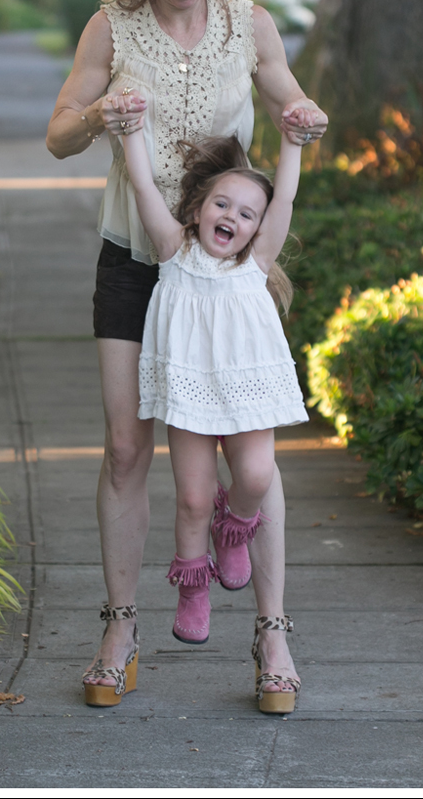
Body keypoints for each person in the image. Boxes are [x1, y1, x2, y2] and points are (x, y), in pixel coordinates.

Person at [45, 0, 327, 711]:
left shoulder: (251, 24)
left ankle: (272, 635)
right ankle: (123, 626)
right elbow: (60, 133)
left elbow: (290, 102)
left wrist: (305, 117)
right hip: (137, 261)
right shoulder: (111, 27)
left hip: (228, 278)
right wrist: (102, 110)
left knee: (254, 452)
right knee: (129, 449)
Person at [123, 129, 307, 712]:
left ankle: (238, 526)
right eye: (222, 204)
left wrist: (293, 141)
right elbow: (144, 184)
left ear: (257, 229)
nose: (233, 217)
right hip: (192, 391)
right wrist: (130, 134)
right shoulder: (173, 252)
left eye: (246, 213)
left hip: (247, 386)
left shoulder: (257, 262)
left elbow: (285, 200)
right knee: (193, 499)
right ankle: (193, 589)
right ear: (199, 209)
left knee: (255, 475)